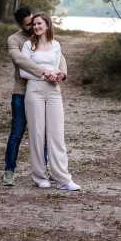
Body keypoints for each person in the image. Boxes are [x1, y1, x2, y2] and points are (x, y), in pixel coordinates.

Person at [3, 4, 66, 187]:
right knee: (17, 132)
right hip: (21, 91)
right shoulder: (14, 40)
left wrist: (62, 73)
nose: (32, 26)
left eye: (34, 22)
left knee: (45, 132)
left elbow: (60, 58)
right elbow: (20, 61)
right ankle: (9, 170)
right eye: (28, 24)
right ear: (20, 25)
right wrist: (44, 72)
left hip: (44, 89)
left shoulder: (43, 37)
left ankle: (46, 170)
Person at [19, 11, 80, 192]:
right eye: (34, 24)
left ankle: (63, 179)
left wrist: (61, 74)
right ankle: (39, 177)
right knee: (37, 134)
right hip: (34, 90)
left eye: (40, 24)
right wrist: (45, 73)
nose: (36, 27)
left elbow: (61, 67)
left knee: (56, 135)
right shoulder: (28, 46)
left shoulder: (56, 45)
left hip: (54, 91)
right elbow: (23, 71)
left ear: (47, 25)